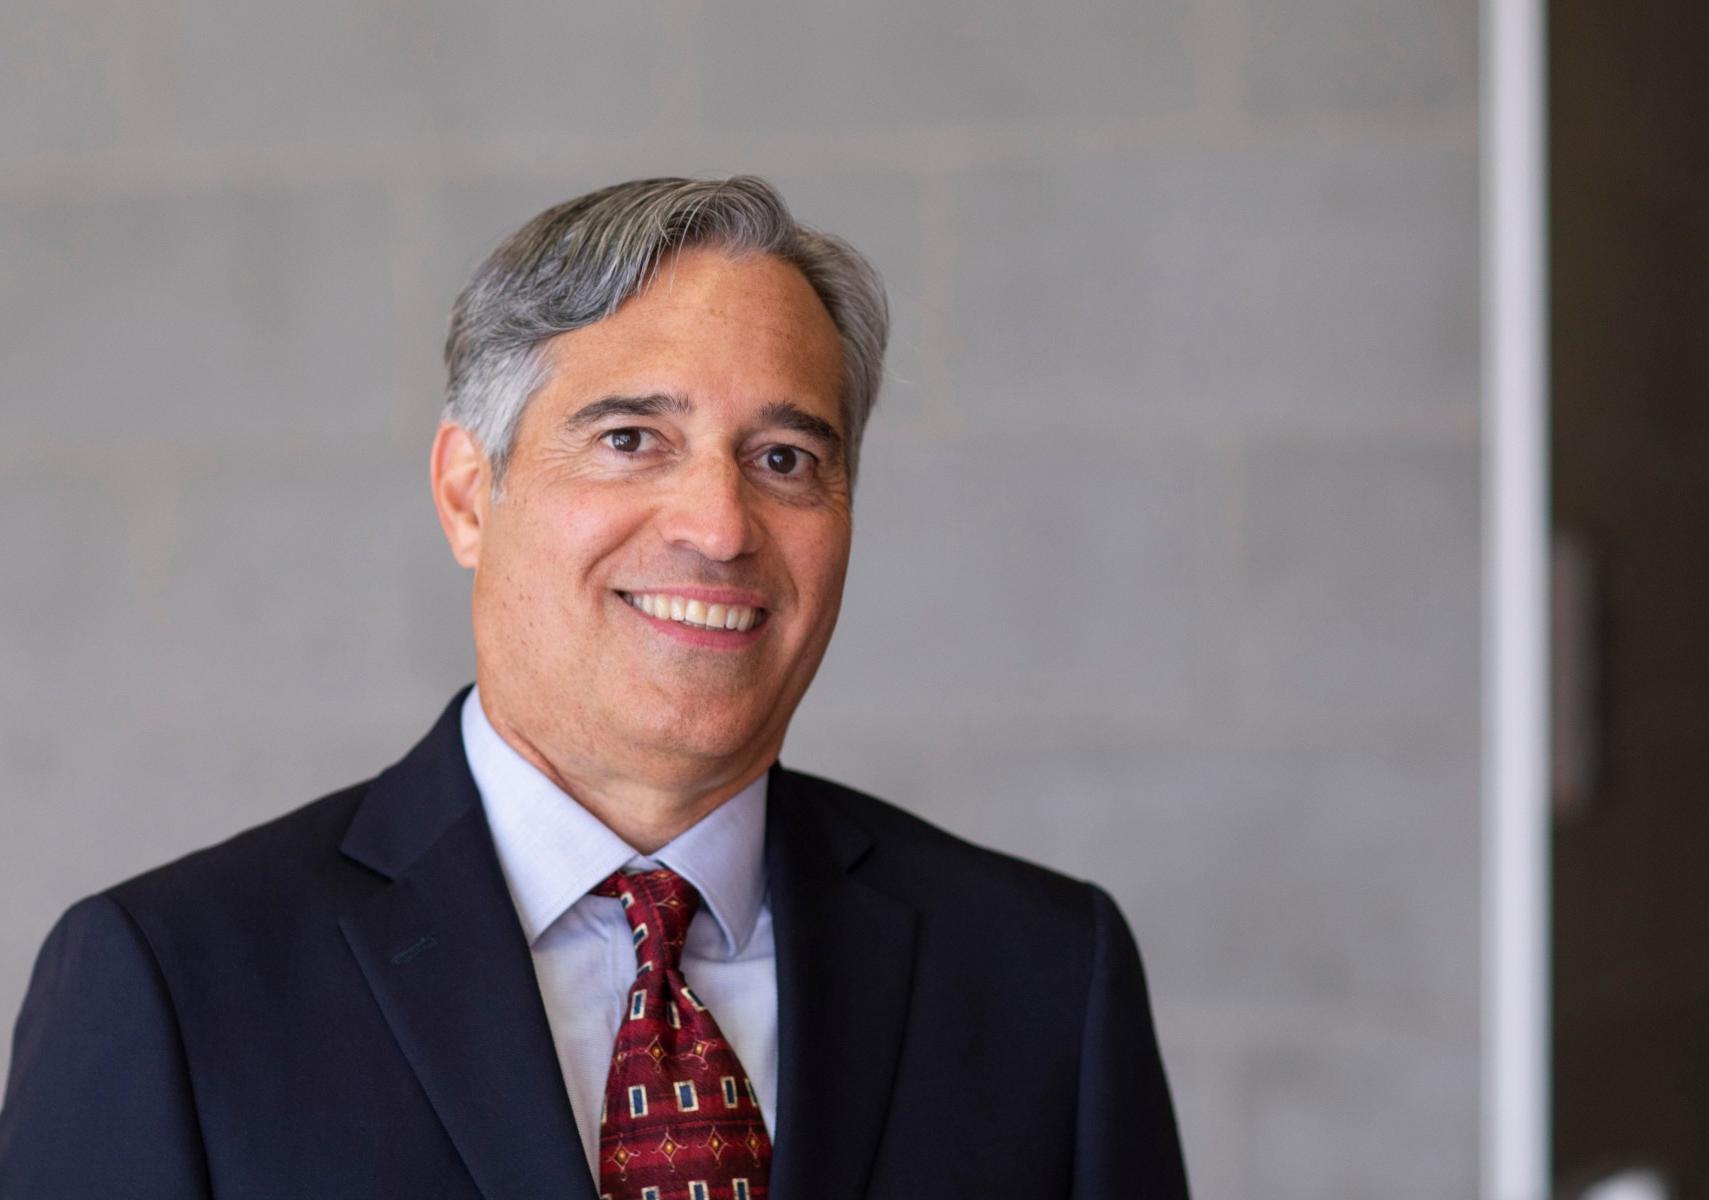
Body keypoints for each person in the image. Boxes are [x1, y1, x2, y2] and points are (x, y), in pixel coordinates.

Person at [0, 176, 1188, 1199]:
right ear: (471, 493)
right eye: (631, 438)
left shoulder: (1043, 978)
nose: (721, 527)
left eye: (786, 460)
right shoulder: (171, 983)